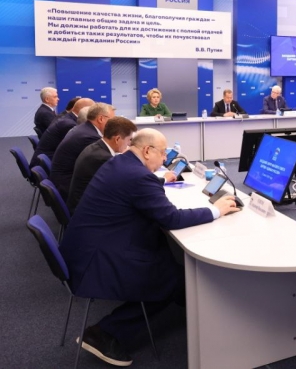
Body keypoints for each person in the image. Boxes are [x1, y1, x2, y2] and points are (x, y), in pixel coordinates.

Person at [60, 129, 240, 367]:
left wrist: (159, 180)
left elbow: (134, 188)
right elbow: (171, 218)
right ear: (147, 151)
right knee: (171, 279)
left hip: (88, 244)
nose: (165, 159)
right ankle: (104, 333)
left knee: (168, 257)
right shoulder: (138, 177)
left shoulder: (120, 162)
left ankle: (192, 303)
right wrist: (216, 210)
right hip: (97, 258)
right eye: (163, 153)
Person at [67, 117, 138, 214]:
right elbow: (124, 185)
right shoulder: (102, 158)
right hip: (86, 211)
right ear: (117, 139)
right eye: (129, 140)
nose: (129, 144)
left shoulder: (97, 147)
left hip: (82, 203)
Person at [49, 103, 115, 199]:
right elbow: (106, 162)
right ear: (101, 119)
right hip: (67, 187)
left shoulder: (85, 129)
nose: (114, 124)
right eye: (112, 120)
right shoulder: (90, 136)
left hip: (63, 180)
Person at [31, 97, 95, 167]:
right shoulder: (69, 124)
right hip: (48, 163)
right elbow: (77, 150)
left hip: (47, 159)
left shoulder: (67, 118)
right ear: (84, 110)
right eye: (93, 111)